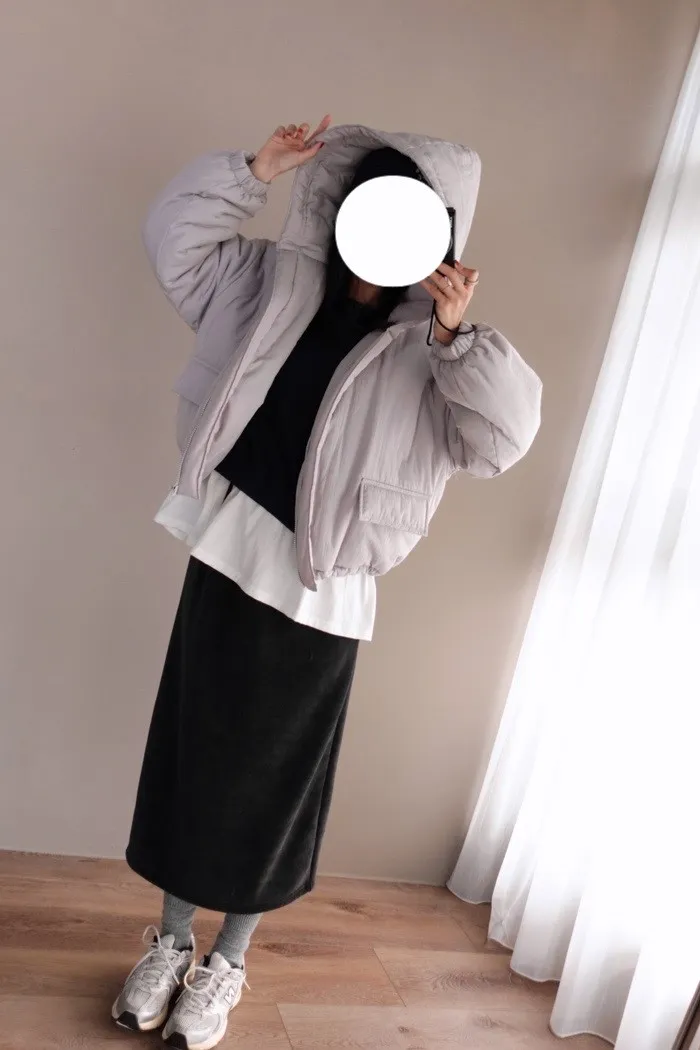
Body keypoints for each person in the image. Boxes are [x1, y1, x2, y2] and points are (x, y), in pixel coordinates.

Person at [113, 115, 542, 1049]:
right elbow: (174, 244)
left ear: (440, 233)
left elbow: (502, 443)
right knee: (193, 755)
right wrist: (253, 171)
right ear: (343, 205)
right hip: (228, 545)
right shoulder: (272, 281)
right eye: (371, 202)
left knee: (272, 784)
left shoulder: (435, 346)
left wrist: (455, 336)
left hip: (324, 587)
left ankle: (227, 962)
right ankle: (170, 943)